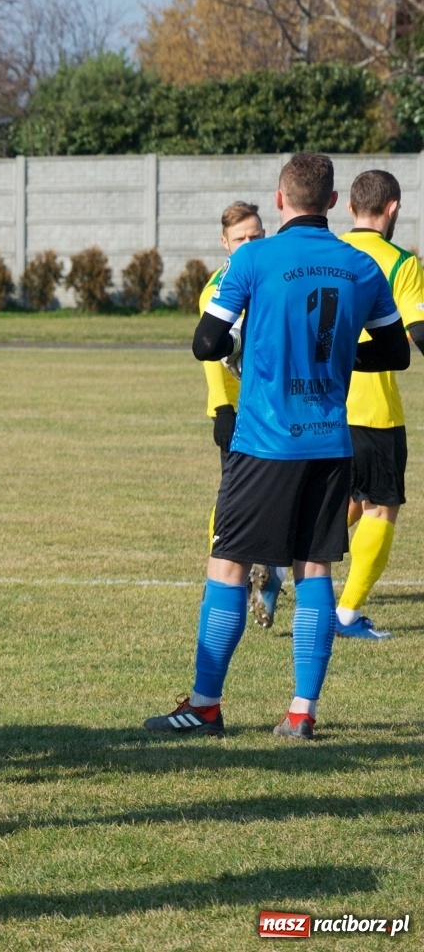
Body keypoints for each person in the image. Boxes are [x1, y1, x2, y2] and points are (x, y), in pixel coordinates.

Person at [145, 152, 409, 742]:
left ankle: (206, 705)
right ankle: (300, 711)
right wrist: (343, 359)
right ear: (335, 204)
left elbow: (205, 341)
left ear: (281, 200)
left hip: (264, 441)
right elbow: (396, 353)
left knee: (229, 562)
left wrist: (247, 355)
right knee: (314, 567)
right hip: (330, 442)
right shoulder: (360, 266)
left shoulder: (254, 258)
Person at [335, 169, 424, 641]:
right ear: (392, 208)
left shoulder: (329, 254)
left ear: (349, 208)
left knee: (347, 498)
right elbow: (418, 333)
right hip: (374, 410)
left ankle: (277, 570)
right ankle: (346, 615)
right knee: (380, 508)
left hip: (322, 405)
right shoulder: (400, 262)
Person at [201, 203, 290, 628]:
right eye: (241, 239)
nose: (250, 245)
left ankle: (270, 575)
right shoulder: (218, 286)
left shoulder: (276, 275)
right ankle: (225, 581)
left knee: (284, 503)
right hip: (241, 414)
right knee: (232, 504)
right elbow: (210, 355)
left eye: (257, 237)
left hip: (282, 408)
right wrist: (222, 409)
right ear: (225, 244)